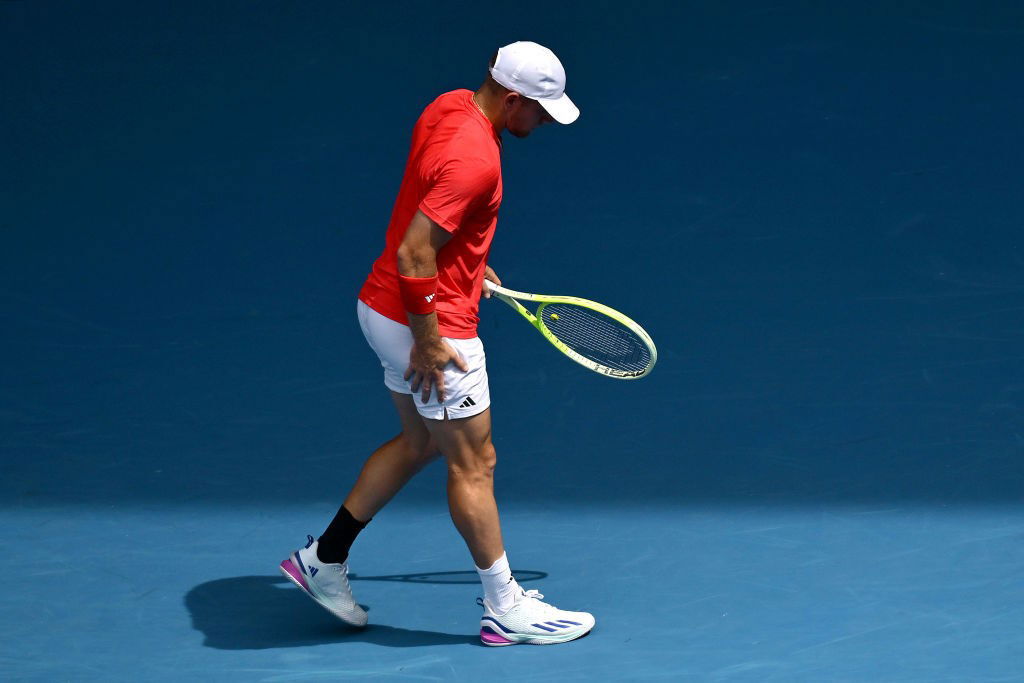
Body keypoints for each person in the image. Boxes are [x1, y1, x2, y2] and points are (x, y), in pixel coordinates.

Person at [279, 41, 594, 647]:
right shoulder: (477, 157)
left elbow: (434, 213)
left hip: (379, 307)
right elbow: (415, 251)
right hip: (431, 327)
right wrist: (429, 340)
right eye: (541, 110)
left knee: (421, 440)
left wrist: (472, 261)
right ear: (511, 99)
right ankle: (504, 609)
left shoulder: (448, 106)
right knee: (475, 464)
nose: (546, 122)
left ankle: (323, 558)